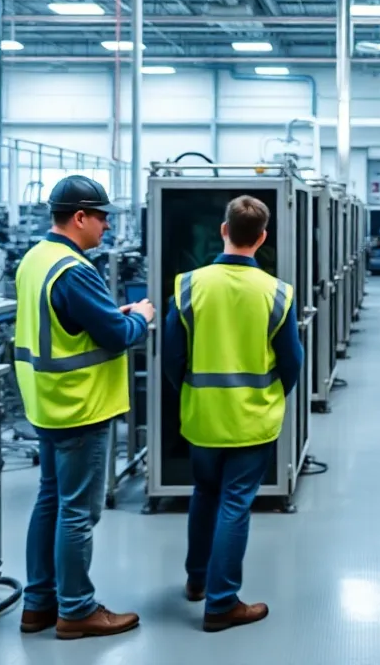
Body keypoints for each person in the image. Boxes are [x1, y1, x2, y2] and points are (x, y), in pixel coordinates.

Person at [13, 175, 153, 640]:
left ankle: (38, 604)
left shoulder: (36, 259)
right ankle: (75, 610)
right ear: (79, 217)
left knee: (50, 501)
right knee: (78, 512)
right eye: (101, 217)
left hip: (47, 404)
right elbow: (115, 335)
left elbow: (75, 324)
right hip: (81, 406)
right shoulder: (72, 270)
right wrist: (141, 319)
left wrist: (116, 317)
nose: (107, 226)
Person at [162, 194, 304, 633]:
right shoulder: (276, 293)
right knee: (235, 505)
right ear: (261, 238)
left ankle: (197, 580)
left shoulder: (188, 285)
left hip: (202, 416)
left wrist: (187, 391)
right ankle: (222, 603)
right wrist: (273, 397)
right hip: (251, 420)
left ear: (224, 230)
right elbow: (292, 361)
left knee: (204, 495)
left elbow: (171, 357)